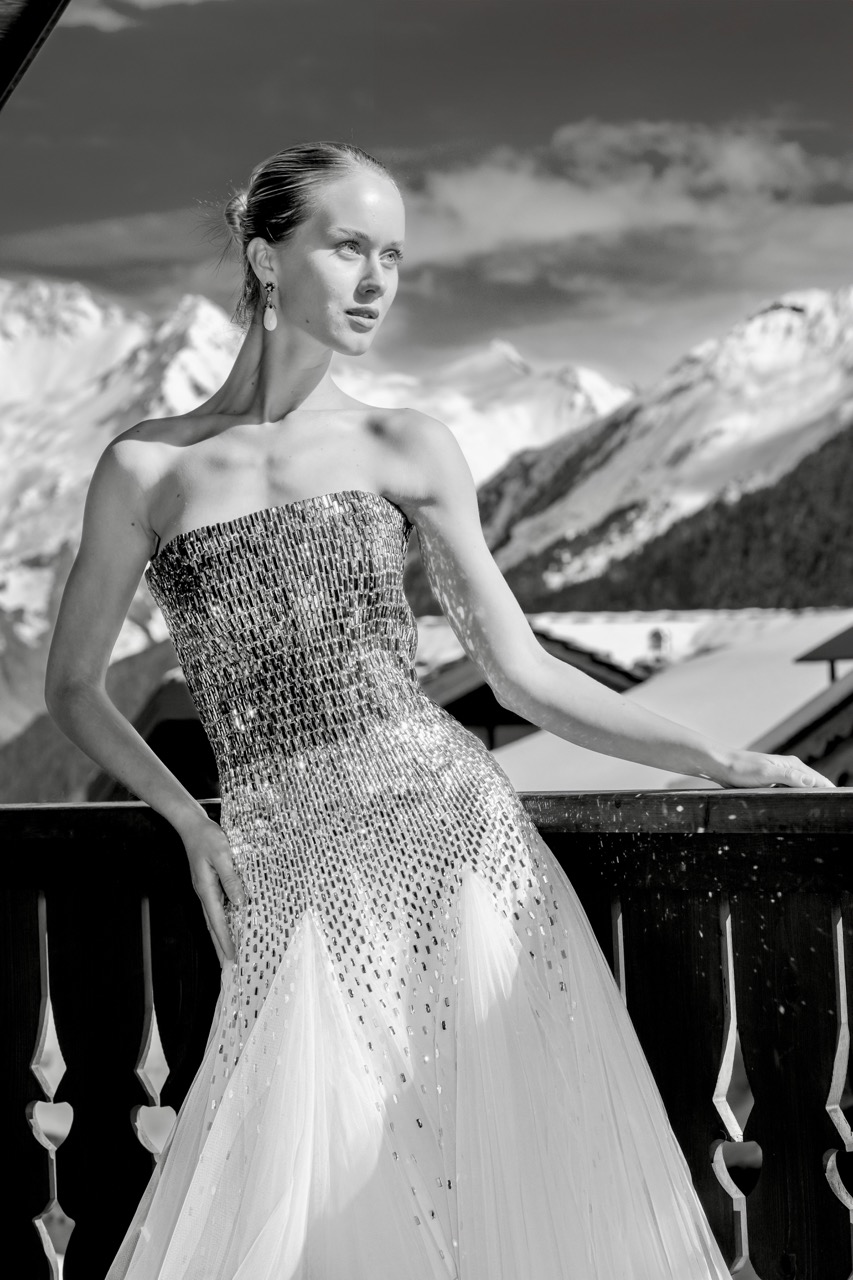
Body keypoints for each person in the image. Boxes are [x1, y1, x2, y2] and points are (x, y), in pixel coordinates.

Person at [45, 141, 832, 1280]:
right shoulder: (148, 467)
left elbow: (520, 675)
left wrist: (725, 759)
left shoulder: (406, 444)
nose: (378, 279)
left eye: (395, 255)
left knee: (509, 1185)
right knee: (311, 1194)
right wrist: (185, 818)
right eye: (348, 246)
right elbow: (74, 685)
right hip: (284, 864)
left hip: (455, 845)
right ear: (265, 259)